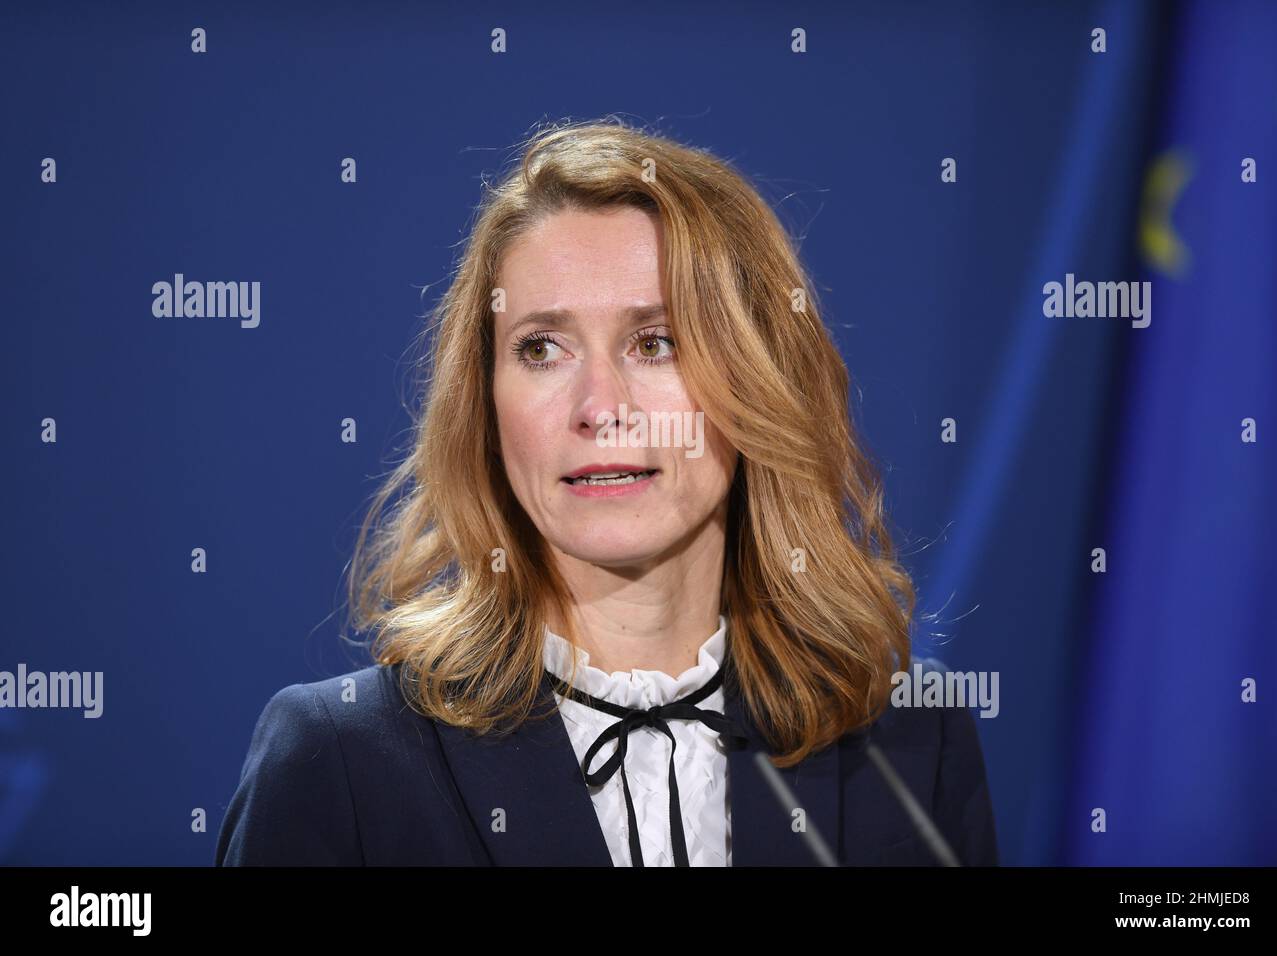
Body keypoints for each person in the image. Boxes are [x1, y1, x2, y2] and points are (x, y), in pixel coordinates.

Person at [214, 117, 998, 867]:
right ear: (485, 405)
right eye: (542, 349)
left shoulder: (911, 743)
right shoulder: (340, 763)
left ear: (758, 381)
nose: (600, 407)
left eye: (655, 342)